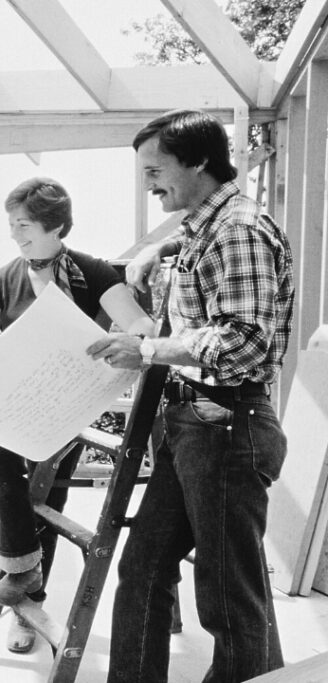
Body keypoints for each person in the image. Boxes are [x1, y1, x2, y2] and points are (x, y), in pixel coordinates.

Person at [87, 109, 294, 682]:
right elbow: (206, 255)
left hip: (225, 426)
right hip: (192, 424)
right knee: (144, 571)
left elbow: (246, 342)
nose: (148, 183)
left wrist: (147, 351)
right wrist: (162, 249)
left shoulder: (238, 231)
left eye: (156, 170)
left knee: (229, 600)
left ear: (199, 161)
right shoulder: (209, 225)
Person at [0, 177, 153, 653]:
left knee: (48, 497)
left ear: (56, 225)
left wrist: (120, 346)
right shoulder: (5, 277)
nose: (15, 234)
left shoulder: (92, 272)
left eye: (23, 225)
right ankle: (23, 574)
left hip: (66, 401)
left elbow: (141, 327)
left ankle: (25, 586)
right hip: (17, 399)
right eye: (11, 225)